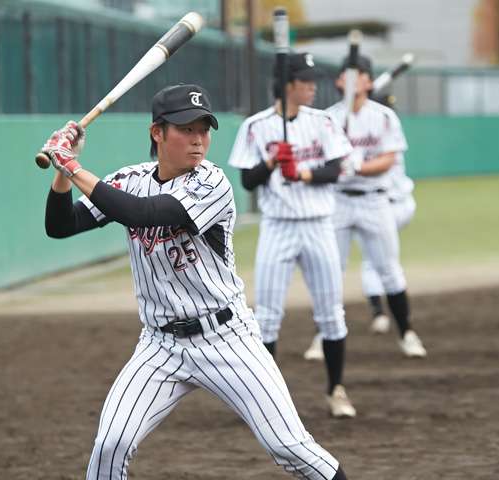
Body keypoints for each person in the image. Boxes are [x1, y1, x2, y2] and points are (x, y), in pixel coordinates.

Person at [40, 83, 350, 480]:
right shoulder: (130, 178)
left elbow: (142, 213)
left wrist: (72, 164)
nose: (198, 139)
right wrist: (63, 174)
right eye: (186, 129)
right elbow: (60, 225)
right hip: (159, 345)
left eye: (203, 129)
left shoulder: (212, 182)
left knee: (290, 447)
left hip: (227, 338)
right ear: (157, 133)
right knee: (109, 445)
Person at [227, 52, 357, 418]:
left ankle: (336, 390)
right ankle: (265, 401)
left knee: (332, 315)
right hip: (278, 226)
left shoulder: (324, 122)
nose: (313, 87)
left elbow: (335, 170)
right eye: (305, 81)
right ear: (287, 84)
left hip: (319, 225)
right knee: (265, 318)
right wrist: (271, 162)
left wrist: (301, 172)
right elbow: (247, 180)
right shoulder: (256, 126)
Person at [315, 54, 426, 359]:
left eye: (360, 74)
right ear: (339, 81)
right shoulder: (328, 118)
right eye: (348, 74)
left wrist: (358, 166)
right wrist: (340, 164)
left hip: (375, 200)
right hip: (338, 201)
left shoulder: (384, 117)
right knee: (331, 271)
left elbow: (388, 160)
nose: (354, 79)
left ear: (368, 80)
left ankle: (407, 333)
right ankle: (322, 338)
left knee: (389, 271)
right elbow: (322, 161)